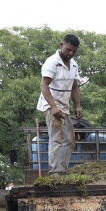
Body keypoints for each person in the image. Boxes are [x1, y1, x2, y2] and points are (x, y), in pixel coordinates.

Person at [36, 34, 82, 174]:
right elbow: (44, 85)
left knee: (70, 140)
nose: (71, 53)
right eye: (68, 49)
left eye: (74, 51)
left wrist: (77, 106)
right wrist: (53, 107)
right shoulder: (52, 62)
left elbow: (74, 87)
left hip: (64, 107)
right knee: (56, 138)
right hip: (51, 105)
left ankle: (62, 171)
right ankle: (54, 172)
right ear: (61, 45)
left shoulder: (73, 65)